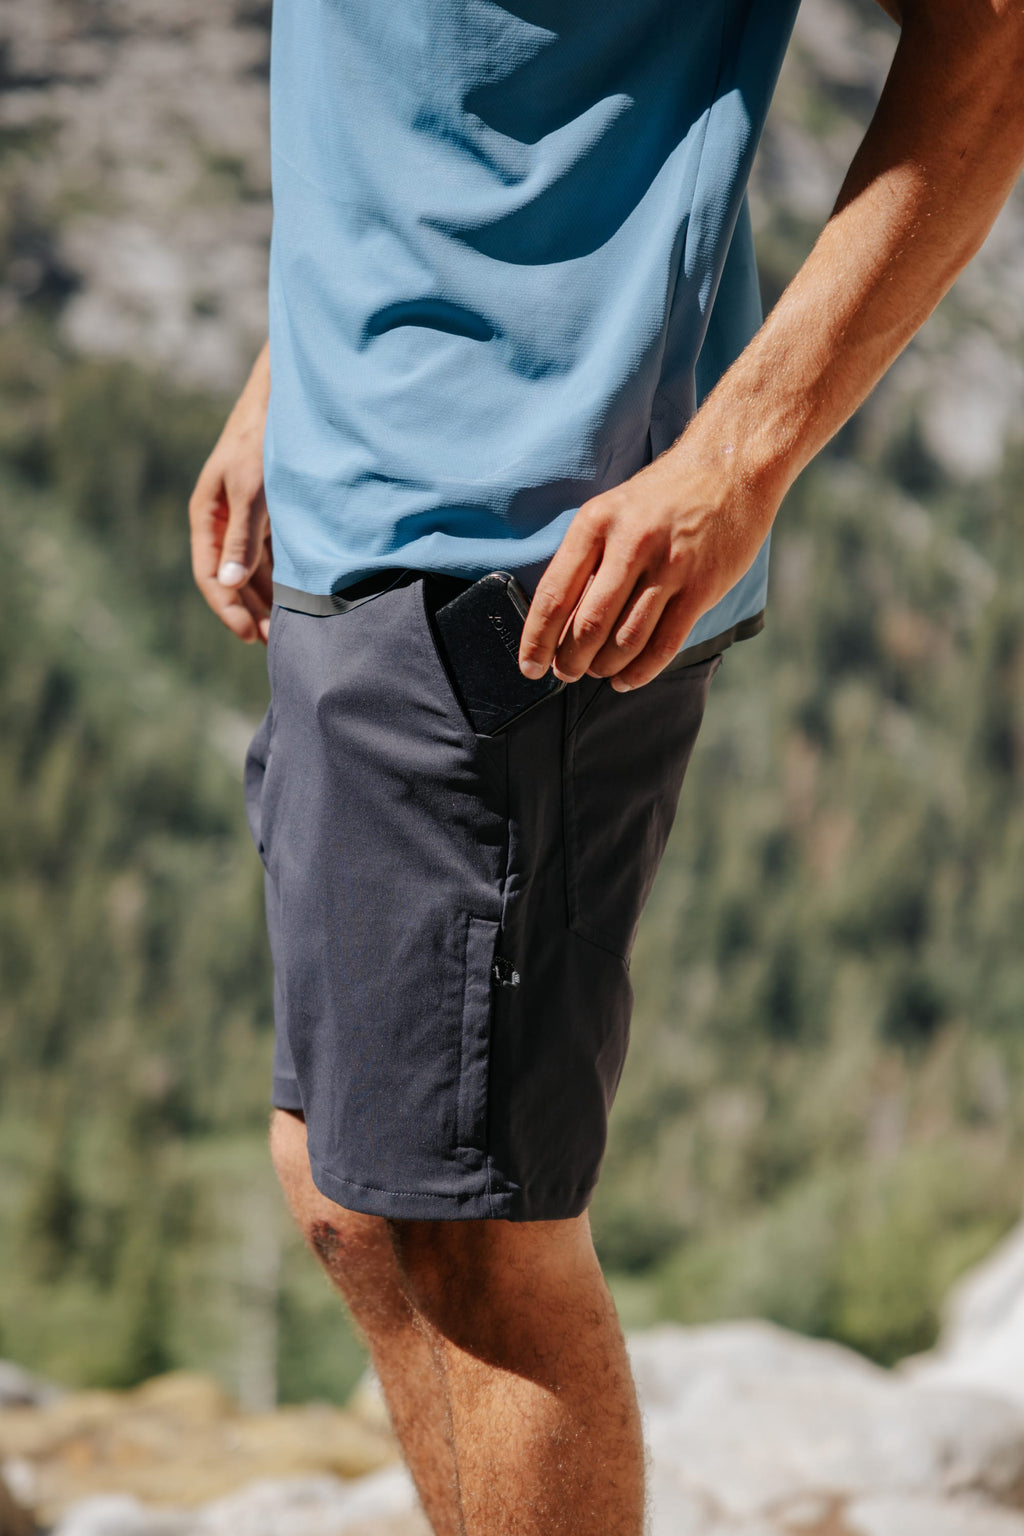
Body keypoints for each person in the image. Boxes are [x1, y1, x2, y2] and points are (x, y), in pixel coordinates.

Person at [188, 0, 1024, 1530]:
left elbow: (994, 44)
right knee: (353, 1194)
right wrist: (283, 367)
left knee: (474, 1234)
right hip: (355, 496)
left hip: (527, 559)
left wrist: (737, 458)